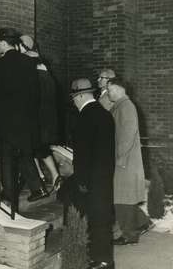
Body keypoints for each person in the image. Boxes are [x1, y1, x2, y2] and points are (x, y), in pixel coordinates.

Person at [0, 27, 49, 203]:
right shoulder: (28, 63)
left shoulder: (1, 63)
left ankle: (9, 193)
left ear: (4, 43)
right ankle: (39, 188)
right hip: (26, 119)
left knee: (5, 156)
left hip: (5, 119)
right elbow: (36, 92)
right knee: (24, 154)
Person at [69, 78, 115, 269]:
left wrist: (81, 179)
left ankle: (100, 260)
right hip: (105, 176)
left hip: (91, 179)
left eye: (73, 98)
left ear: (80, 96)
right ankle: (105, 259)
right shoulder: (105, 114)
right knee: (102, 218)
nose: (73, 102)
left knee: (94, 219)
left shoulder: (84, 117)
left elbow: (82, 154)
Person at [107, 77, 150, 245]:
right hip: (124, 160)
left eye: (110, 89)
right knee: (125, 197)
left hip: (124, 161)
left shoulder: (126, 107)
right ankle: (142, 221)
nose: (108, 92)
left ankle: (129, 235)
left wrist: (120, 159)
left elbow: (128, 134)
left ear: (117, 89)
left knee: (122, 199)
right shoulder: (121, 106)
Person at [18, 34, 62, 192]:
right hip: (45, 114)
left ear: (23, 46)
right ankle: (54, 176)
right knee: (39, 147)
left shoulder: (27, 61)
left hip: (36, 113)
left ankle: (44, 177)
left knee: (32, 147)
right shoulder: (41, 62)